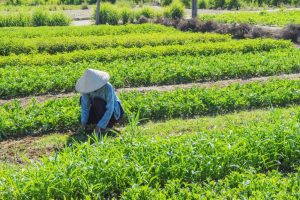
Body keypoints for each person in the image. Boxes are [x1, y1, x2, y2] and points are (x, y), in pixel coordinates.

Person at [75, 69, 124, 134]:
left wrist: (99, 126)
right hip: (98, 110)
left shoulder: (107, 87)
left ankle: (107, 124)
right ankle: (96, 123)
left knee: (97, 101)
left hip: (113, 113)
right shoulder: (86, 89)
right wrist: (83, 124)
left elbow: (110, 108)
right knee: (82, 99)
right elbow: (85, 107)